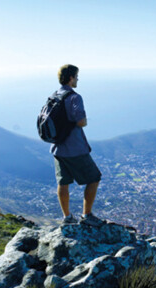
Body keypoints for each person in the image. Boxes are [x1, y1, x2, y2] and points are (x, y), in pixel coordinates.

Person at [51, 64, 103, 226]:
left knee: (63, 182)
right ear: (71, 77)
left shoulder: (54, 96)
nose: (78, 80)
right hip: (74, 148)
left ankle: (67, 218)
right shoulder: (74, 97)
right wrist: (84, 121)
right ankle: (86, 215)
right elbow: (80, 121)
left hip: (58, 147)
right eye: (77, 77)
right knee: (94, 178)